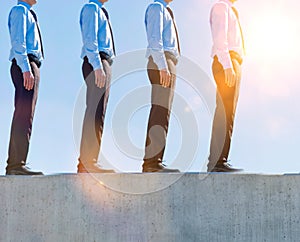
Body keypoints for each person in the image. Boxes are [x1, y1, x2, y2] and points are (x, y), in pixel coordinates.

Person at [6, 0, 44, 175]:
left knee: (26, 114)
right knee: (23, 115)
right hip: (25, 65)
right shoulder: (20, 11)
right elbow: (18, 42)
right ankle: (16, 165)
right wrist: (26, 69)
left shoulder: (27, 13)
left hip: (29, 65)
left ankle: (16, 164)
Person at [143, 0, 181, 172]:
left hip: (166, 62)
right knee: (160, 110)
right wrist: (163, 65)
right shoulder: (157, 8)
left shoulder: (165, 10)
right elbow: (155, 39)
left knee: (163, 111)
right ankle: (152, 162)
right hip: (162, 62)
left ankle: (154, 161)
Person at [78, 0, 116, 173]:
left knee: (97, 110)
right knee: (95, 111)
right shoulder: (92, 8)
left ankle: (88, 161)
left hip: (101, 62)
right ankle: (88, 161)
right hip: (97, 62)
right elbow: (90, 39)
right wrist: (97, 65)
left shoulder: (100, 10)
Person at [207, 0, 245, 172]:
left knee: (228, 112)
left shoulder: (231, 10)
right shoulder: (221, 7)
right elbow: (220, 37)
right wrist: (227, 65)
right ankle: (217, 161)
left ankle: (220, 160)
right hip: (226, 61)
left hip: (232, 61)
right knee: (224, 111)